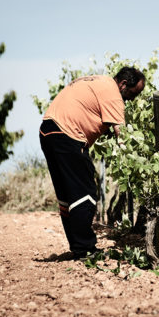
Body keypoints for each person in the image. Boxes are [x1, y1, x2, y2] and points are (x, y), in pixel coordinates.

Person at [39, 67, 145, 258]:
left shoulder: (98, 81)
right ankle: (85, 249)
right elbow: (123, 139)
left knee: (67, 194)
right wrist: (141, 162)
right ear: (123, 84)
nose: (131, 100)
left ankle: (78, 246)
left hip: (48, 130)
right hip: (67, 134)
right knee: (85, 192)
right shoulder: (113, 94)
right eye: (132, 94)